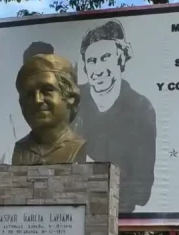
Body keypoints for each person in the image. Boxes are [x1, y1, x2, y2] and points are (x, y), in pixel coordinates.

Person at [73, 19, 157, 212]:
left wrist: (96, 174)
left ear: (121, 59)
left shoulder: (141, 110)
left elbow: (141, 193)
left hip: (114, 215)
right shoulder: (72, 102)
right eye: (92, 61)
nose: (98, 69)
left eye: (105, 58)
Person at [11, 54, 87, 165]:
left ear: (70, 97)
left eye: (47, 90)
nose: (37, 100)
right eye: (29, 94)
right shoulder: (20, 149)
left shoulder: (77, 146)